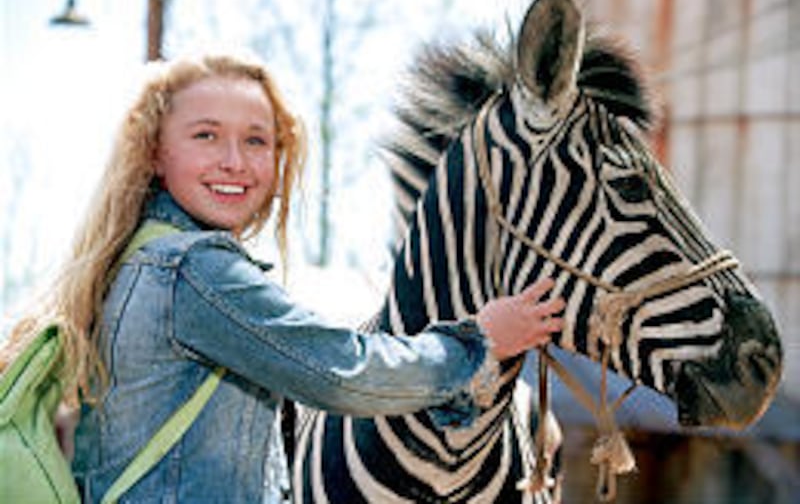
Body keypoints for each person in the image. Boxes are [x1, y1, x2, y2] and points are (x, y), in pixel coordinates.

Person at [0, 51, 564, 502]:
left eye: (256, 140)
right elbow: (342, 372)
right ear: (154, 152)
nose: (234, 161)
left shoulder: (138, 259)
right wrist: (476, 344)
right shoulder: (195, 271)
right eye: (205, 136)